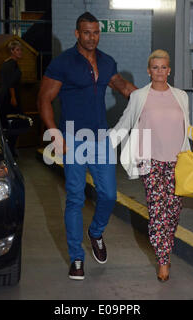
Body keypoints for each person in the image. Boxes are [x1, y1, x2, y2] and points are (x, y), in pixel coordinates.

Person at [37, 12, 137, 280]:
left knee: (108, 196)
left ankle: (95, 233)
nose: (91, 37)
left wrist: (154, 97)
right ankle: (76, 258)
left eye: (95, 32)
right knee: (75, 198)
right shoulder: (62, 63)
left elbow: (123, 86)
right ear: (77, 34)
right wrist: (55, 133)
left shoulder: (106, 61)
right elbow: (44, 99)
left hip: (101, 139)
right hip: (73, 139)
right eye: (86, 32)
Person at [109, 49, 193, 282]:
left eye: (163, 67)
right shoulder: (139, 96)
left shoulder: (180, 96)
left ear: (169, 70)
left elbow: (186, 129)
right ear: (148, 70)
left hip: (179, 162)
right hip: (150, 161)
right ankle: (163, 260)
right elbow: (125, 123)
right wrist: (105, 145)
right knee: (157, 212)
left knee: (173, 212)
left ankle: (164, 245)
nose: (159, 72)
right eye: (155, 68)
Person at [0, 40, 23, 157]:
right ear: (12, 51)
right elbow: (10, 83)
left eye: (20, 49)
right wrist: (13, 97)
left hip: (4, 94)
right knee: (14, 122)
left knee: (6, 122)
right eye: (17, 50)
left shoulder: (6, 63)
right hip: (9, 96)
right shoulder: (11, 64)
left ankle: (8, 149)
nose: (20, 52)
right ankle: (10, 149)